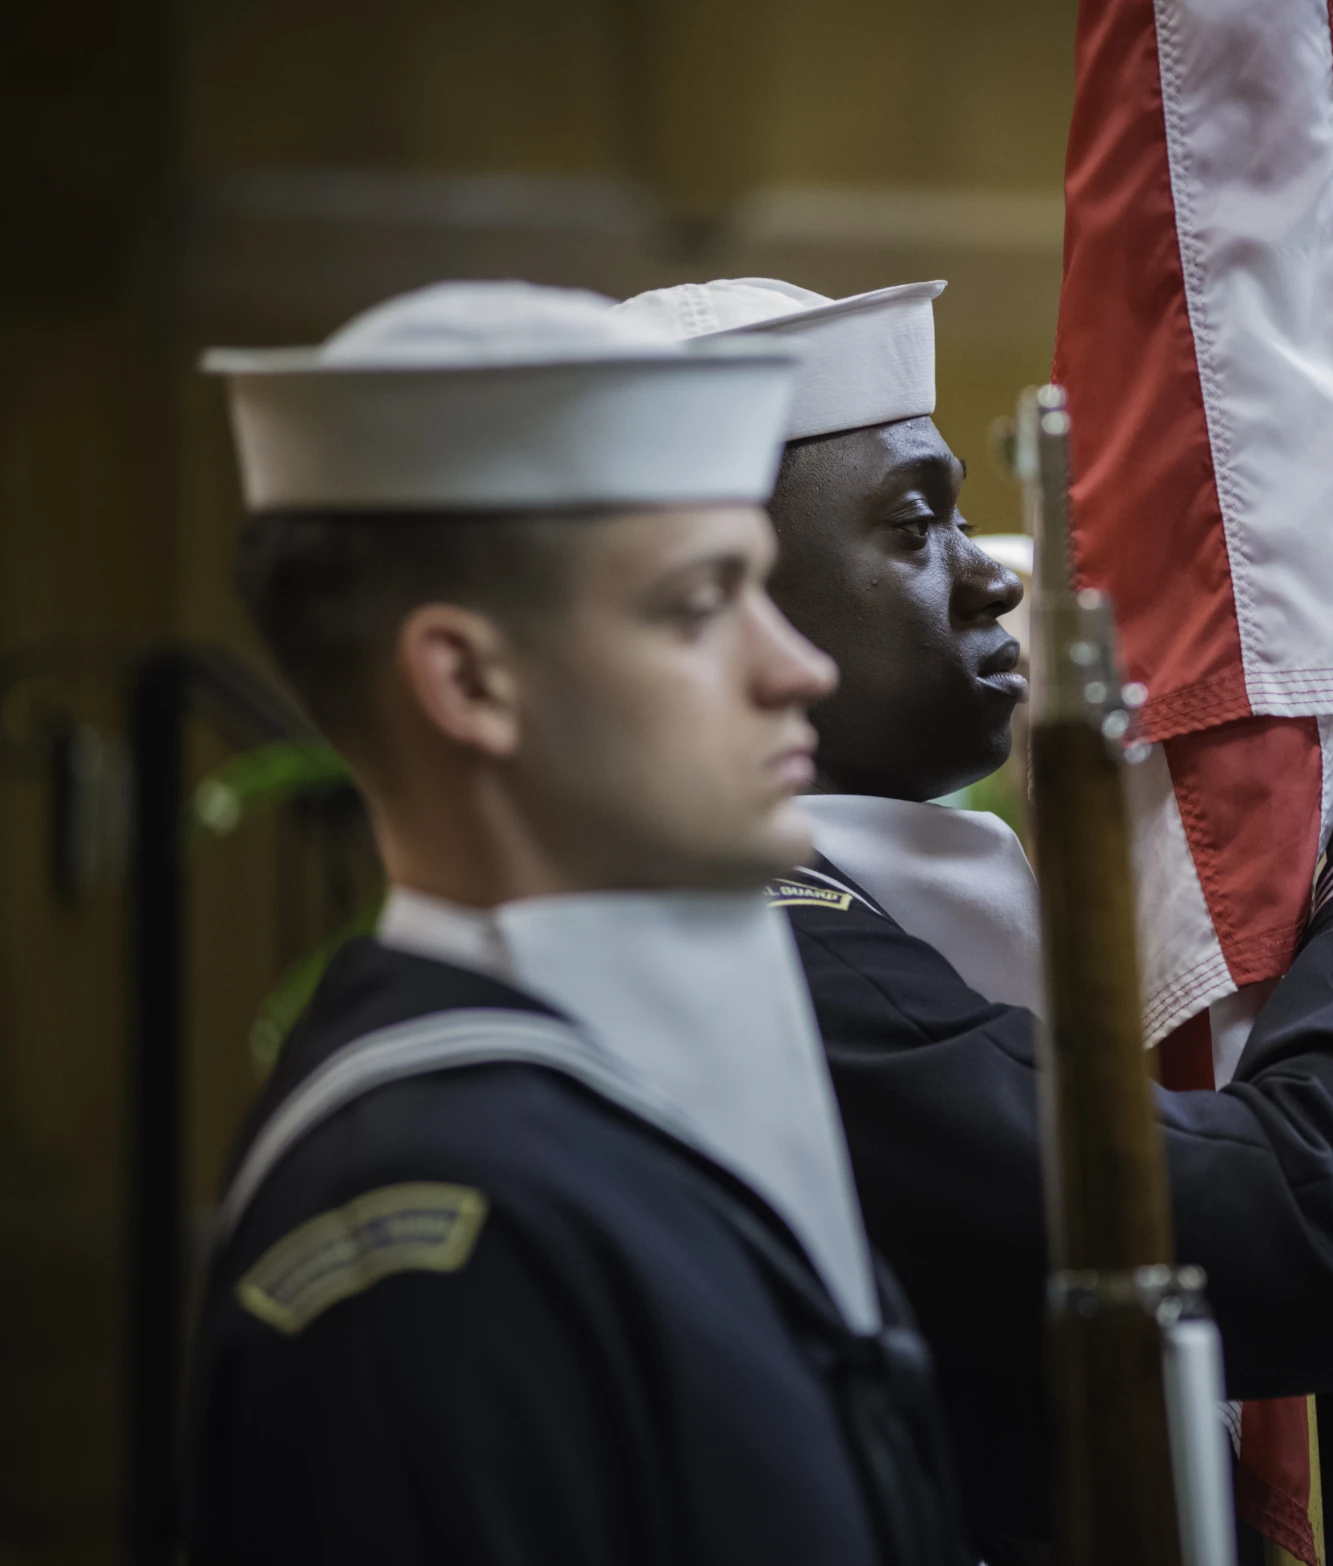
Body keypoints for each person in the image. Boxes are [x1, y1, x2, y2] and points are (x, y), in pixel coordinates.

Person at [614, 276, 1333, 1557]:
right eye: (916, 529)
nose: (992, 582)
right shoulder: (750, 961)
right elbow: (1317, 1235)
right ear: (726, 605)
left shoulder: (871, 915)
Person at [183, 281, 969, 1565]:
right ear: (468, 680)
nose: (798, 669)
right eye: (702, 605)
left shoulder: (620, 1100)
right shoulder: (429, 1231)